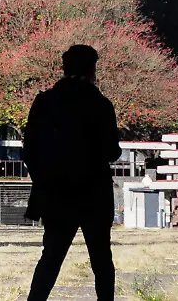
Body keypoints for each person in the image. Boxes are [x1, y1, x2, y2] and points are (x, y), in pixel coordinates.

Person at [23, 45, 121, 301]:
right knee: (101, 260)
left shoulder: (44, 102)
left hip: (56, 192)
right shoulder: (100, 104)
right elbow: (112, 151)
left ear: (64, 67)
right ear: (92, 69)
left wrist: (44, 179)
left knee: (50, 259)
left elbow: (30, 150)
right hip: (94, 193)